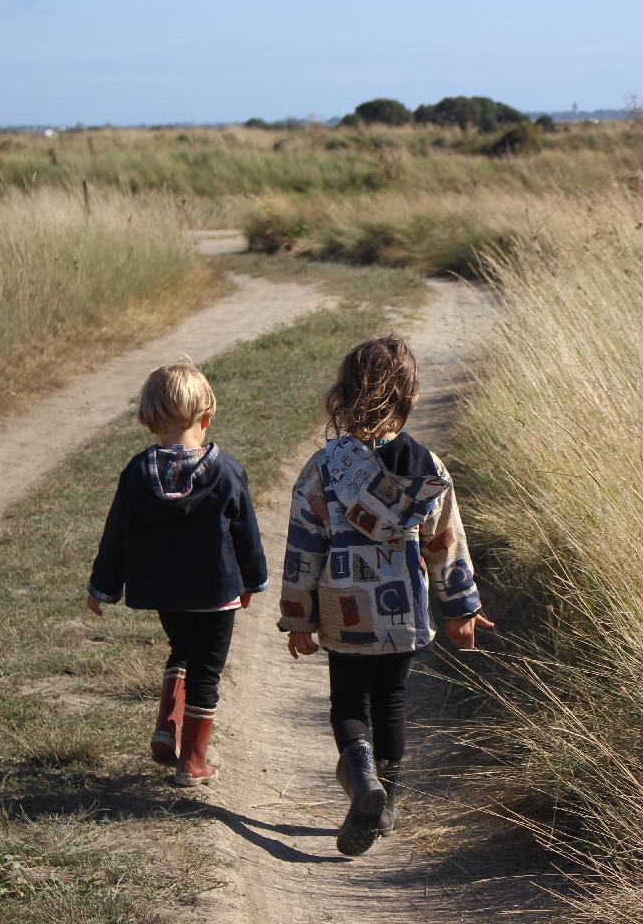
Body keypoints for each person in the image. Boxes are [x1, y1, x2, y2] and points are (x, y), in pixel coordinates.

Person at [278, 336, 494, 856]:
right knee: (392, 702)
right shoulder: (427, 468)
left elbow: (304, 545)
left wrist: (299, 616)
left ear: (343, 395)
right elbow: (447, 541)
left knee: (349, 702)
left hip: (343, 610)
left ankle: (362, 779)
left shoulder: (325, 468)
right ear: (412, 397)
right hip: (403, 615)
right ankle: (388, 804)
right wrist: (460, 607)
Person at [86, 359, 267, 787]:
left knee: (181, 651)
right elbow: (246, 532)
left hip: (164, 591)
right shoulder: (227, 472)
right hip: (215, 591)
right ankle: (194, 762)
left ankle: (168, 728)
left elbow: (116, 533)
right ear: (206, 418)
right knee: (206, 669)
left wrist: (103, 587)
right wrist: (253, 580)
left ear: (151, 421)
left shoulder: (136, 474)